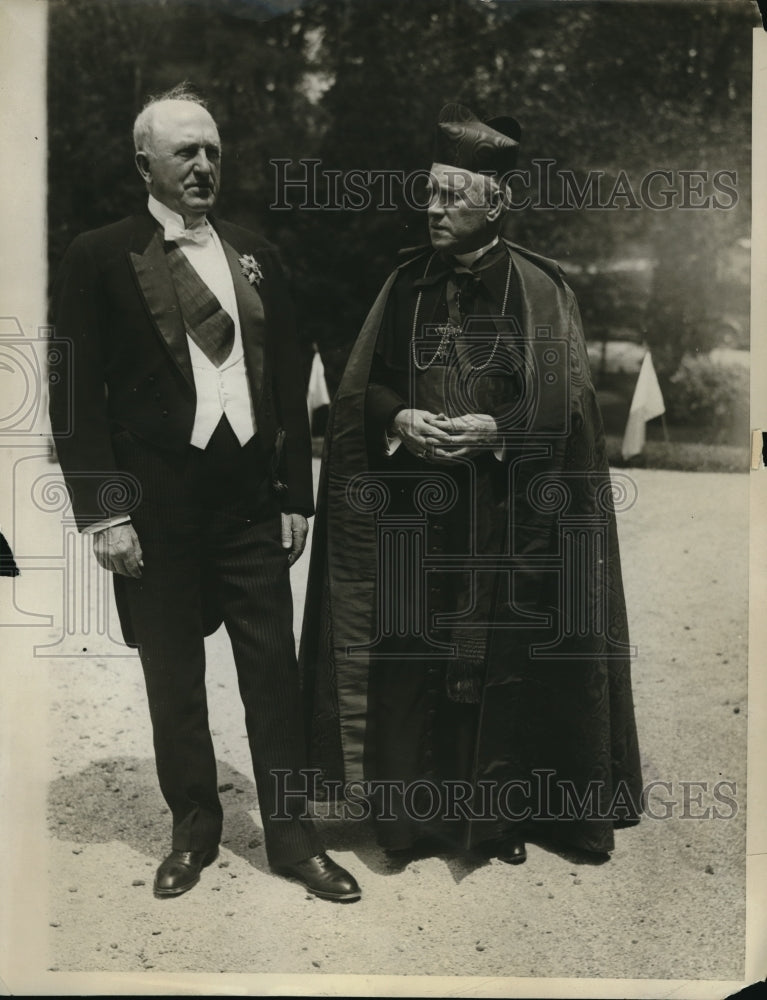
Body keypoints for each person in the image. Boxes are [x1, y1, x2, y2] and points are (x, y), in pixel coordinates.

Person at [299, 104, 642, 864]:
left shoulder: (539, 289)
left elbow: (568, 406)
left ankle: (494, 823)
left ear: (497, 202)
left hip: (505, 514)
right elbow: (368, 387)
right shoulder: (405, 285)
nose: (433, 208)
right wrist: (399, 418)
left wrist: (498, 431)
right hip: (415, 513)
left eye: (451, 196)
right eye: (429, 192)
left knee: (496, 661)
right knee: (408, 655)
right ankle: (410, 823)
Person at [49, 85, 360, 902]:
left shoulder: (257, 254)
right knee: (175, 682)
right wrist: (105, 512)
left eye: (213, 151)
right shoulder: (97, 255)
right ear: (144, 161)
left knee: (273, 677)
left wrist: (294, 496)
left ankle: (294, 840)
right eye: (185, 150)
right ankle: (193, 833)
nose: (202, 165)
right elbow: (74, 395)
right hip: (155, 513)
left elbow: (285, 379)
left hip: (249, 505)